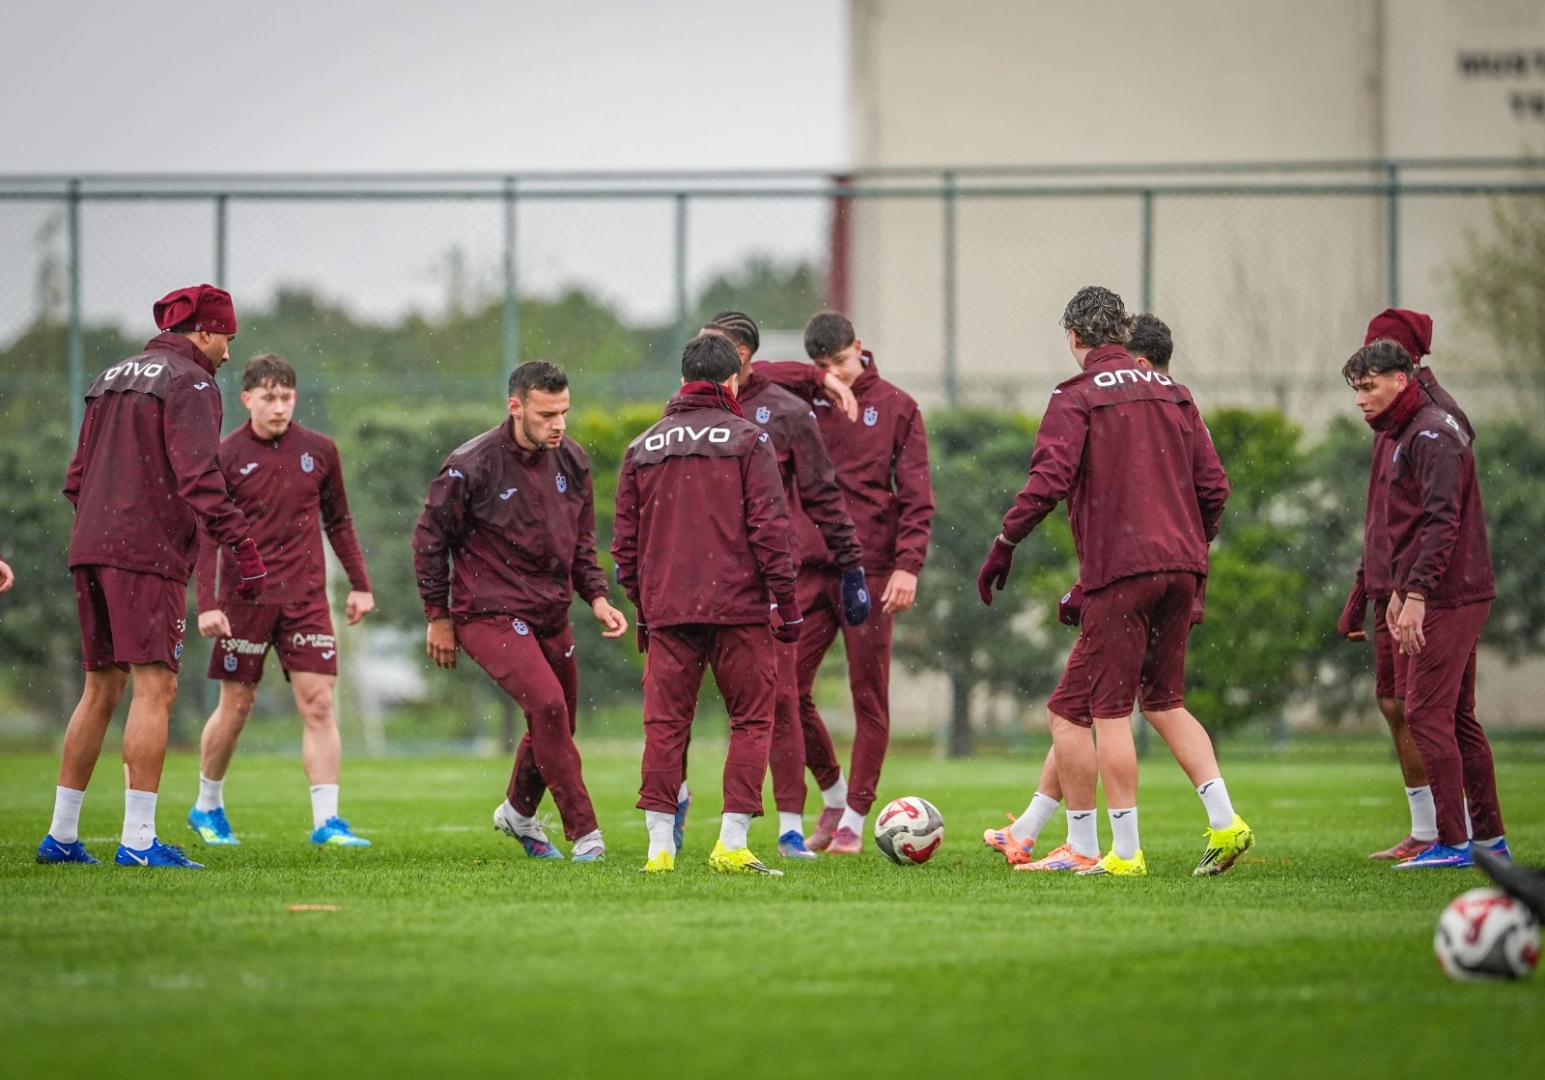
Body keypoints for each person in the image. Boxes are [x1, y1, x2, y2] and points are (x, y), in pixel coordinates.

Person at [977, 287, 1250, 877]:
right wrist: (1187, 545)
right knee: (1158, 702)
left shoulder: (1075, 394)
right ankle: (1225, 821)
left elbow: (1048, 481)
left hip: (1121, 571)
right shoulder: (1175, 392)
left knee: (1102, 714)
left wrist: (1005, 543)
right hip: (1183, 569)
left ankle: (1118, 852)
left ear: (1074, 337)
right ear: (1123, 333)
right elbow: (1214, 488)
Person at [36, 285, 267, 869]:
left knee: (100, 687)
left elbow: (76, 478)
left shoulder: (110, 377)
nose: (228, 354)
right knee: (155, 687)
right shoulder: (192, 382)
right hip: (145, 552)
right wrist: (243, 544)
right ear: (205, 332)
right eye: (226, 339)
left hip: (89, 544)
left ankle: (61, 837)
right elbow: (200, 479)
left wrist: (106, 523)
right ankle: (139, 842)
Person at [413, 361, 627, 862]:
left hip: (551, 610)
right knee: (548, 707)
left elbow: (580, 542)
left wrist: (597, 597)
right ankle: (586, 834)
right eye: (547, 414)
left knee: (558, 722)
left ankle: (517, 812)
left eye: (564, 412)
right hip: (486, 611)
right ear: (516, 407)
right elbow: (429, 541)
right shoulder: (470, 465)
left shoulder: (572, 459)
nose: (559, 424)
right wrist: (437, 616)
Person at [612, 333, 800, 875]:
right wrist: (786, 602)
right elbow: (770, 531)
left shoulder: (642, 446)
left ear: (682, 381)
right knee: (751, 720)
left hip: (668, 609)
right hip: (738, 608)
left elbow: (624, 545)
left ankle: (660, 850)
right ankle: (731, 844)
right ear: (733, 381)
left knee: (664, 726)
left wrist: (645, 601)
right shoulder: (749, 440)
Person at [754, 311, 934, 855]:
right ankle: (833, 792)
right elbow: (753, 371)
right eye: (823, 365)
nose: (836, 372)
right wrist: (818, 380)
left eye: (840, 361)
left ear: (860, 346)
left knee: (868, 696)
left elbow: (917, 498)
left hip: (871, 571)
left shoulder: (899, 406)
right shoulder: (801, 398)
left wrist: (908, 565)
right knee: (784, 691)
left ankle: (855, 818)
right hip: (806, 569)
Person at [187, 354, 375, 848]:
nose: (279, 407)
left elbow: (339, 522)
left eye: (286, 397)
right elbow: (208, 535)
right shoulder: (226, 455)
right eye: (269, 397)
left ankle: (327, 821)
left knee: (320, 703)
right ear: (247, 399)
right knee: (237, 706)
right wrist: (208, 602)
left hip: (306, 599)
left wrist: (360, 584)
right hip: (245, 600)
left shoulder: (321, 450)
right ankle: (207, 805)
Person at [702, 311, 868, 860]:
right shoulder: (687, 415)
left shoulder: (788, 413)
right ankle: (667, 815)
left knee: (780, 695)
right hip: (701, 577)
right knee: (675, 699)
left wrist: (852, 565)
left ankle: (791, 827)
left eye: (712, 348)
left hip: (770, 578)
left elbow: (823, 494)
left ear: (741, 355)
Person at [1342, 339, 1507, 870]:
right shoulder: (1408, 430)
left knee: (1425, 712)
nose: (1361, 399)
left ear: (1401, 379)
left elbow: (1442, 521)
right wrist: (1396, 590)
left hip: (1449, 593)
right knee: (1457, 716)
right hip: (1444, 588)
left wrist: (1417, 594)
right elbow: (1410, 525)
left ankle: (1453, 843)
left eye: (1369, 387)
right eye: (1356, 390)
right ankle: (1489, 841)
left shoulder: (1431, 432)